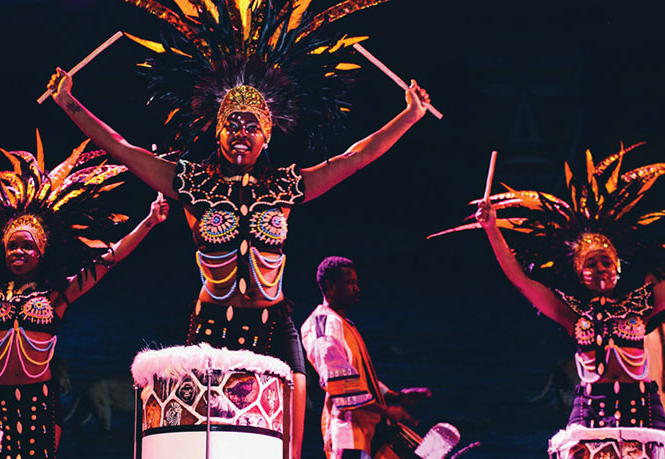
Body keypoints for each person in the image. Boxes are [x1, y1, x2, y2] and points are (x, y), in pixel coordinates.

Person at [45, 2, 432, 456]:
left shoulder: (287, 185)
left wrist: (409, 115)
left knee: (287, 442)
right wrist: (69, 103)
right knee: (210, 444)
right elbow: (121, 147)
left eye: (253, 125)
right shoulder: (190, 182)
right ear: (218, 131)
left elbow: (355, 157)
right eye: (233, 123)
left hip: (274, 324)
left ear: (267, 135)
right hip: (212, 325)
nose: (242, 131)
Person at [0, 140, 169, 458]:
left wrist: (149, 222)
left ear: (41, 253)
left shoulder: (57, 295)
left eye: (26, 246)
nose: (18, 251)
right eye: (12, 246)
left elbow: (107, 260)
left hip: (39, 404)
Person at [433, 144, 665, 429]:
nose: (601, 268)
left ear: (618, 269)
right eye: (591, 264)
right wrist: (493, 229)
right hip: (591, 408)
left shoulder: (641, 302)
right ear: (580, 275)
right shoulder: (570, 311)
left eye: (606, 262)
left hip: (642, 406)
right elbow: (521, 280)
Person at [301, 256, 431, 459]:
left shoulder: (343, 324)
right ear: (329, 285)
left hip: (367, 433)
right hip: (347, 435)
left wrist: (395, 397)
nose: (357, 288)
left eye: (356, 283)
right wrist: (387, 411)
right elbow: (339, 383)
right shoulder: (323, 325)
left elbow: (355, 377)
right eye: (350, 283)